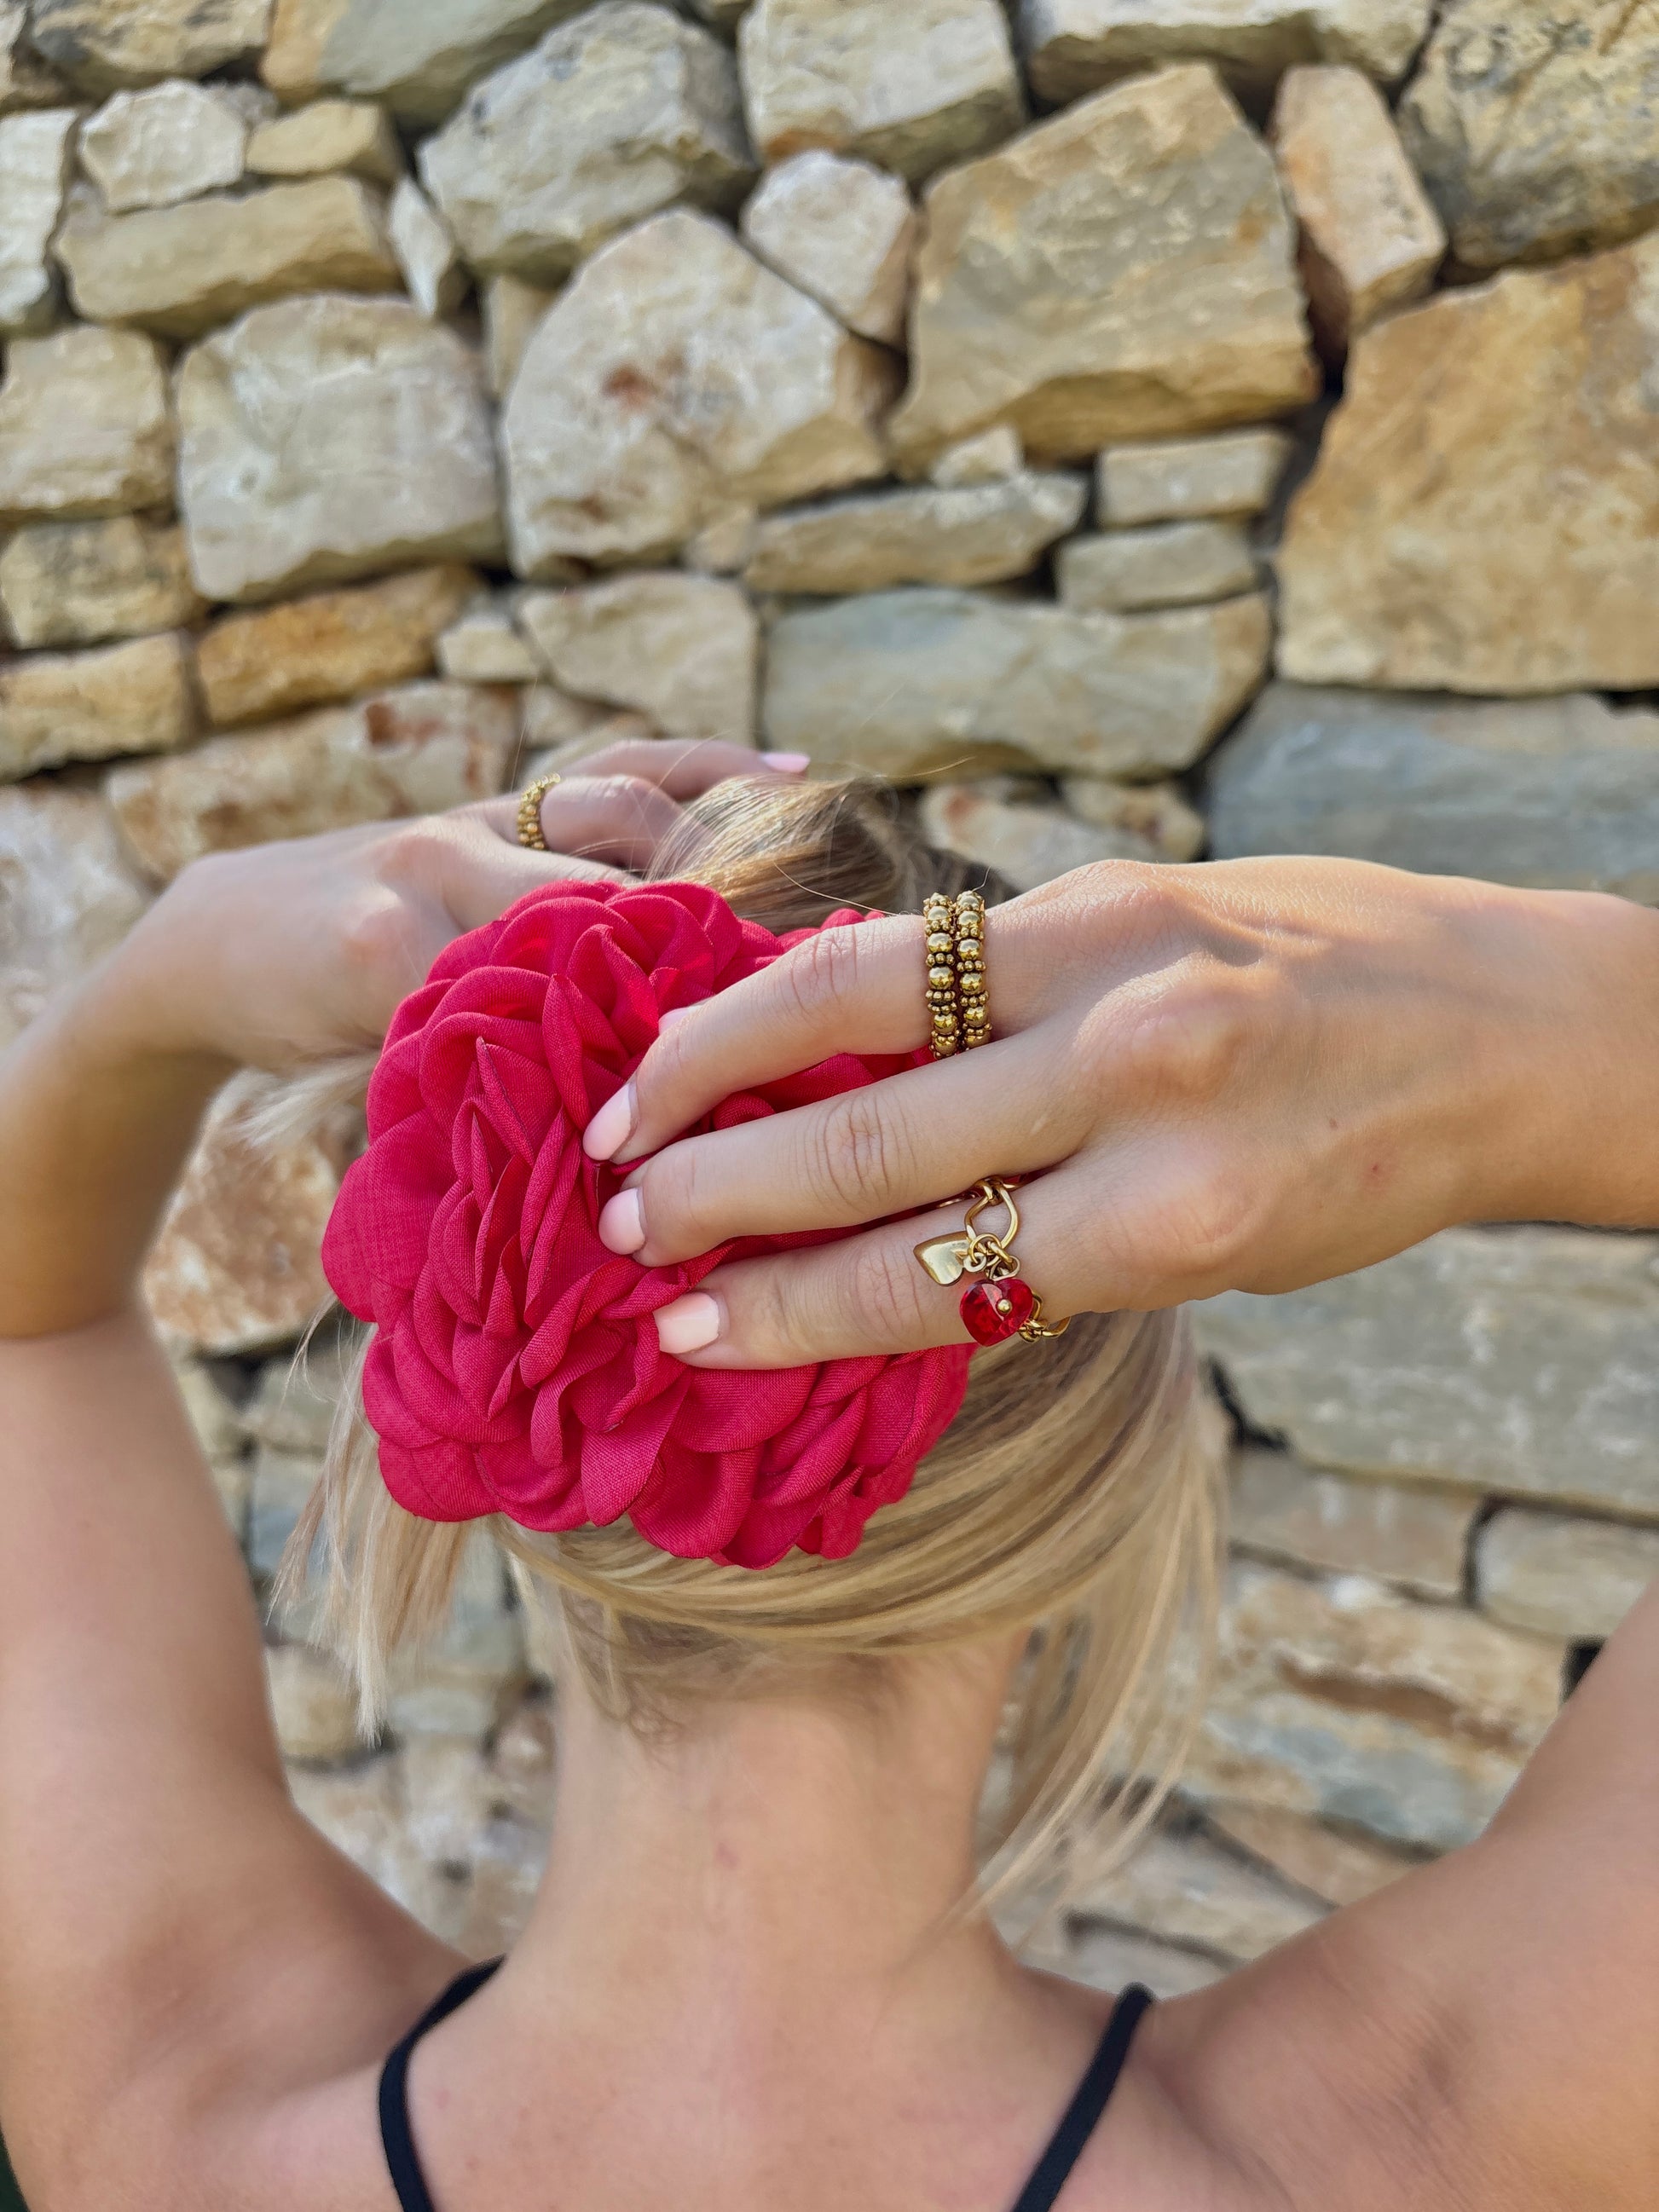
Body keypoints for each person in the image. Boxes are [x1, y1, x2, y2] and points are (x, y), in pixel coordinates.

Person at [0, 744, 1652, 2212]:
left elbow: (28, 1325)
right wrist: (1588, 1016)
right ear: (1110, 1433)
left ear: (492, 1379)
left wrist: (150, 983)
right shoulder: (1448, 2140)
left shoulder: (167, 2112)